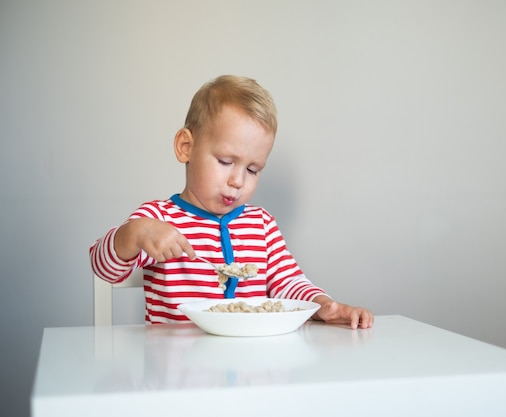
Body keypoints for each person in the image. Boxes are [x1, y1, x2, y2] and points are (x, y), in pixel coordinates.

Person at [90, 75, 374, 330]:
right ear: (186, 147)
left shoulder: (261, 225)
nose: (238, 181)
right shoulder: (157, 220)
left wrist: (323, 305)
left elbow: (288, 282)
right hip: (176, 376)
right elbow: (105, 270)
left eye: (253, 170)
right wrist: (133, 234)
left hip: (252, 368)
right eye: (226, 162)